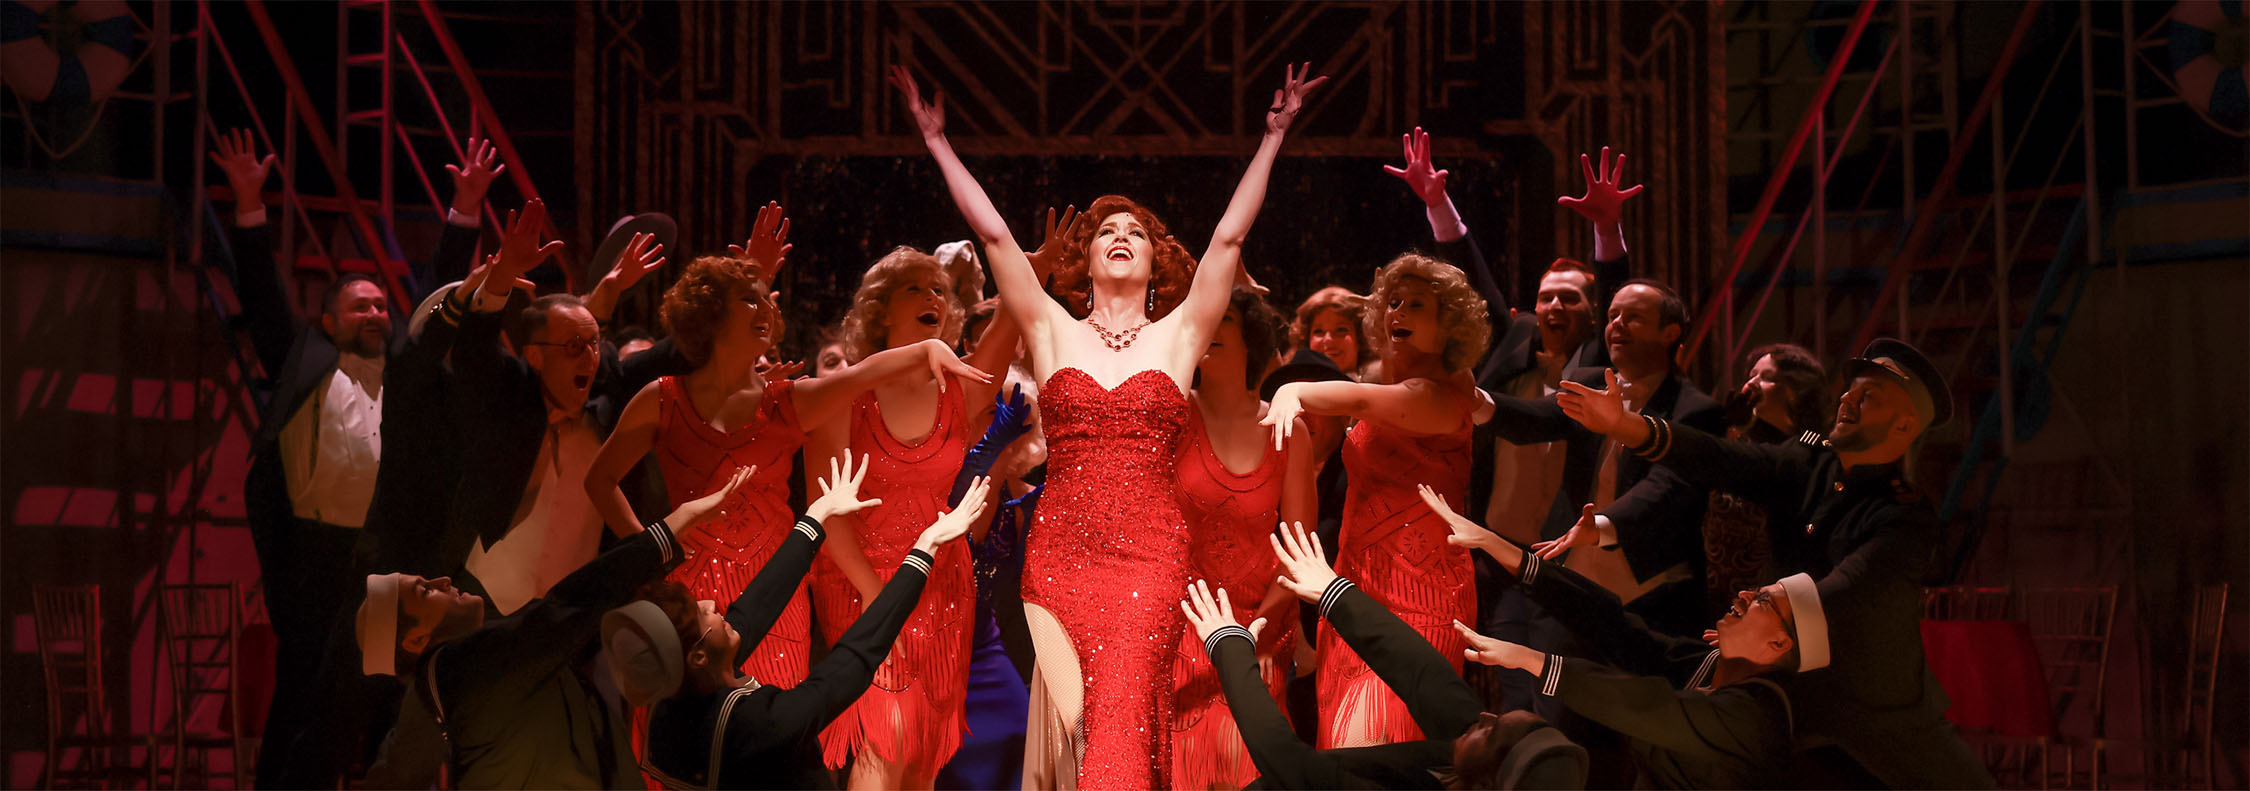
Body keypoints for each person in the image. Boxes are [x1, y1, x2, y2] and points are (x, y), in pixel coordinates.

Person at [895, 60, 1325, 788]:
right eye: (1106, 232)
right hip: (1060, 557)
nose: (1121, 236)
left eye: (1137, 232)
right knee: (1083, 731)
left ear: (1156, 263)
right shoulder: (1051, 329)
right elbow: (996, 238)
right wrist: (938, 142)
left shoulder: (1182, 333)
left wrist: (1272, 137)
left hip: (1152, 559)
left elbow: (1225, 241)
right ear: (1086, 259)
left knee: (1119, 726)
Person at [1556, 337, 1995, 788]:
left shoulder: (1905, 514)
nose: (1847, 399)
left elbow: (1849, 588)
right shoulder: (1809, 464)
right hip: (1789, 699)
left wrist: (1761, 611)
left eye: (1869, 397)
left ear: (1904, 427)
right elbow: (1720, 458)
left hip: (1875, 711)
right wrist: (1627, 425)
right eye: (1850, 390)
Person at [209, 128, 492, 786]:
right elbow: (263, 298)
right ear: (329, 322)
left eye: (378, 304)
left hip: (386, 558)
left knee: (386, 700)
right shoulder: (302, 364)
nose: (374, 310)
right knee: (305, 699)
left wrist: (466, 210)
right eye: (358, 304)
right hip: (317, 560)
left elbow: (434, 300)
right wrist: (251, 204)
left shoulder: (406, 369)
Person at [582, 250, 990, 693]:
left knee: (772, 736)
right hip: (689, 595)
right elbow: (599, 481)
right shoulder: (660, 399)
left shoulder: (786, 402)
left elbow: (862, 374)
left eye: (767, 301)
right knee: (687, 738)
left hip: (777, 593)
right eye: (750, 300)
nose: (767, 310)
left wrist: (928, 348)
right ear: (710, 312)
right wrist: (649, 555)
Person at [352, 461, 750, 789]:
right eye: (425, 591)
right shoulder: (459, 667)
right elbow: (566, 606)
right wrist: (671, 527)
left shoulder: (435, 693)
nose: (443, 581)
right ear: (418, 637)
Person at [608, 455, 992, 790]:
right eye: (701, 613)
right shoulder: (758, 725)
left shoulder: (672, 700)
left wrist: (817, 516)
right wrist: (926, 547)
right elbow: (853, 659)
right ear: (697, 658)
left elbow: (754, 607)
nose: (711, 602)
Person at [801, 242, 1023, 788]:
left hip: (942, 585)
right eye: (915, 288)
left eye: (940, 291)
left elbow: (995, 352)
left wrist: (1027, 277)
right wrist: (882, 603)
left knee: (922, 749)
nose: (933, 298)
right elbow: (827, 518)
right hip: (862, 585)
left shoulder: (954, 391)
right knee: (885, 737)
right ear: (880, 308)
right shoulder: (844, 392)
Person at [1428, 487, 1828, 789]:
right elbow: (1611, 623)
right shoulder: (1703, 665)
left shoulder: (1756, 716)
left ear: (1780, 645)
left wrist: (1532, 659)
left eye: (1762, 599)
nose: (1744, 594)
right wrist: (1495, 545)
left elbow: (1647, 705)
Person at [1263, 253, 1495, 748]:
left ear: (1448, 325)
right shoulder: (1424, 386)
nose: (1399, 313)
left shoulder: (1434, 395)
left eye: (1417, 305)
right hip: (1356, 581)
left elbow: (1361, 401)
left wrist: (1293, 390)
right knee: (1344, 748)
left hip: (1420, 598)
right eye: (1393, 302)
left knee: (1376, 745)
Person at [1177, 523, 1590, 790]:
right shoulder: (1475, 756)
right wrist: (1333, 594)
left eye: (1492, 730)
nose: (1483, 717)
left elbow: (1290, 765)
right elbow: (1422, 674)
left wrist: (1227, 645)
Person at [1169, 287, 1317, 789]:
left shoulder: (1287, 427)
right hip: (1176, 627)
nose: (1211, 327)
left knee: (1249, 766)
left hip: (1261, 632)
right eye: (1204, 318)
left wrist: (1254, 627)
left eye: (1225, 318)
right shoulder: (1169, 416)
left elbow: (1301, 552)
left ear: (1252, 337)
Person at [1700, 344, 1829, 616]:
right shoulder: (1739, 440)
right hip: (1714, 592)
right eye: (1751, 374)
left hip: (1772, 599)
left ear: (1798, 390)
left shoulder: (1813, 452)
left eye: (1766, 377)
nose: (1751, 384)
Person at [1292, 286, 1373, 381]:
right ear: (1306, 339)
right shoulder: (1289, 386)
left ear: (1361, 338)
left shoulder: (1381, 384)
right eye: (1319, 331)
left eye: (1341, 330)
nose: (1328, 340)